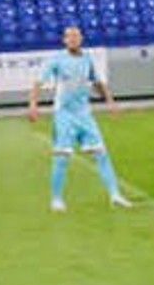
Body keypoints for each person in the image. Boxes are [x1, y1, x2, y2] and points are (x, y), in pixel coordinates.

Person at [27, 25, 133, 212]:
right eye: (70, 36)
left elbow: (97, 82)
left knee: (102, 154)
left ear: (81, 39)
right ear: (64, 40)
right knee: (62, 157)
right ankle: (56, 199)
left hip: (84, 114)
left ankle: (115, 195)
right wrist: (33, 105)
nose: (74, 39)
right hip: (64, 115)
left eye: (77, 36)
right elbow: (38, 83)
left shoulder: (87, 59)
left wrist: (110, 102)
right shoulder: (57, 60)